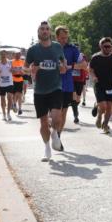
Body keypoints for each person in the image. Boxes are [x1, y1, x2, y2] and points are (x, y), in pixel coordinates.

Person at [26, 21, 67, 161]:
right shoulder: (33, 50)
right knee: (43, 123)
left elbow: (63, 63)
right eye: (42, 29)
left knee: (56, 118)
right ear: (38, 33)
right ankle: (47, 148)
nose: (44, 31)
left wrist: (63, 68)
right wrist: (32, 69)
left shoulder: (57, 47)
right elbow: (25, 68)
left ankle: (55, 132)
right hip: (40, 90)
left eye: (47, 29)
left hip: (56, 87)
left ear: (50, 32)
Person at [88, 37, 112, 134]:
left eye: (109, 47)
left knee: (109, 107)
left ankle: (106, 125)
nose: (108, 48)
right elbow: (90, 69)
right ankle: (99, 116)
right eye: (105, 46)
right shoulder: (96, 57)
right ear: (101, 46)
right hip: (99, 85)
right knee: (103, 107)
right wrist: (94, 77)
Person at [55, 27, 84, 132]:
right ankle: (54, 130)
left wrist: (70, 66)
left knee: (63, 112)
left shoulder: (72, 49)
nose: (64, 40)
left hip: (67, 86)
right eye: (62, 38)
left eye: (66, 38)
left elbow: (84, 65)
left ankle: (58, 136)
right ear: (56, 37)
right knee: (54, 114)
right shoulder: (49, 48)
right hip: (52, 86)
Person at [0, 50, 16, 121]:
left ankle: (8, 114)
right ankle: (4, 114)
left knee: (9, 98)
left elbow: (14, 71)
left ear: (6, 55)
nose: (3, 56)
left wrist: (12, 70)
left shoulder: (10, 62)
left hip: (9, 83)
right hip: (1, 84)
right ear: (0, 55)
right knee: (2, 99)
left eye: (4, 55)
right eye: (1, 55)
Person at [71, 50, 88, 124]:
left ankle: (74, 106)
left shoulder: (81, 56)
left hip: (80, 80)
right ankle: (76, 116)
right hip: (71, 80)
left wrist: (76, 65)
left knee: (78, 99)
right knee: (74, 97)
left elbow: (85, 66)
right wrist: (77, 65)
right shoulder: (69, 56)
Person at [11, 51, 26, 116]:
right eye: (16, 55)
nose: (17, 56)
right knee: (14, 94)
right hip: (13, 79)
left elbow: (25, 70)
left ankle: (20, 109)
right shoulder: (11, 62)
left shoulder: (22, 62)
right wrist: (14, 71)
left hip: (20, 79)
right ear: (14, 55)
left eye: (19, 55)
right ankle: (14, 103)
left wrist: (23, 72)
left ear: (20, 55)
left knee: (19, 94)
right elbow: (10, 70)